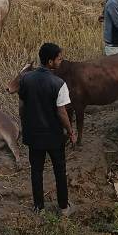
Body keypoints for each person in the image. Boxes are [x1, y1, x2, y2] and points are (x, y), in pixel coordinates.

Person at [18, 42, 76, 216]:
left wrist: (25, 124)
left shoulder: (26, 79)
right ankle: (63, 207)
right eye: (59, 58)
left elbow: (22, 106)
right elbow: (62, 113)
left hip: (34, 135)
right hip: (53, 137)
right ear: (50, 62)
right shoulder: (59, 83)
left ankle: (39, 208)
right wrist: (71, 132)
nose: (61, 60)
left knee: (36, 171)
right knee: (59, 170)